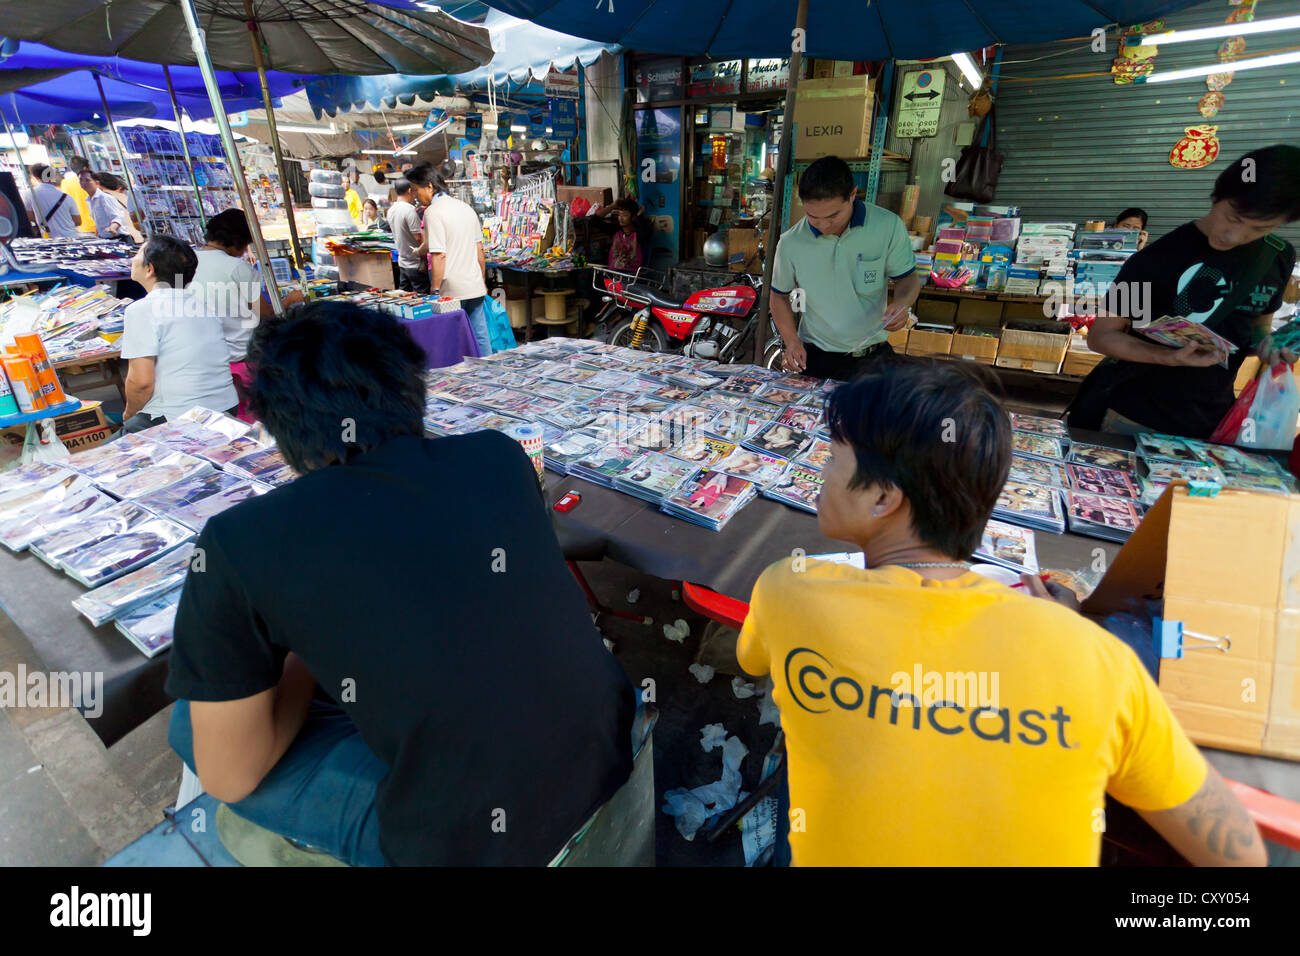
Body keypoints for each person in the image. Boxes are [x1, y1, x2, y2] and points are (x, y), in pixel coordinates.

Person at [736, 357, 1266, 867]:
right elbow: (1239, 851)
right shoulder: (1100, 663)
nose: (820, 470)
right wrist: (1064, 633)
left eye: (832, 457)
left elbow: (753, 661)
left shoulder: (790, 592)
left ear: (882, 499)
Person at [163, 300, 635, 865]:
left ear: (271, 421)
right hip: (606, 747)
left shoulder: (237, 542)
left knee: (193, 729)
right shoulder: (500, 456)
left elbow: (230, 775)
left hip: (471, 842)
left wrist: (306, 646)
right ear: (412, 385)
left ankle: (290, 848)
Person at [1069, 145, 1300, 439]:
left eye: (1259, 228)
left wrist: (1270, 347)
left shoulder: (1276, 257)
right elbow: (1102, 336)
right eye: (1233, 218)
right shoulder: (1156, 257)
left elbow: (1258, 327)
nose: (1234, 236)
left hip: (1212, 422)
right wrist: (1167, 357)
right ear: (1219, 195)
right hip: (1133, 416)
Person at [770, 156, 921, 381]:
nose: (823, 225)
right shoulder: (792, 242)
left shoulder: (887, 226)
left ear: (852, 194)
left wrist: (901, 304)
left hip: (872, 357)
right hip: (816, 358)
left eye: (833, 216)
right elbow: (778, 296)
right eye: (813, 216)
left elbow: (908, 279)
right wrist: (791, 341)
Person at [118, 236, 239, 433]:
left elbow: (141, 382)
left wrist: (129, 415)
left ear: (150, 269)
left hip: (179, 416)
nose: (133, 258)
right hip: (226, 406)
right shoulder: (202, 305)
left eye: (139, 252)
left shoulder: (143, 309)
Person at [191, 208, 304, 364]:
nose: (245, 251)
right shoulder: (237, 268)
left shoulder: (188, 262)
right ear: (237, 241)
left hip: (204, 354)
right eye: (246, 245)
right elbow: (265, 315)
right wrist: (290, 299)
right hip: (241, 354)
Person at [405, 162, 491, 349]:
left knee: (454, 338)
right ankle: (487, 371)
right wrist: (481, 281)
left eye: (415, 189)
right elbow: (479, 251)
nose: (415, 196)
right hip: (474, 284)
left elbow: (439, 256)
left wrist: (435, 291)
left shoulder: (433, 212)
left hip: (452, 290)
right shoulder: (466, 208)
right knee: (480, 334)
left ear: (429, 186)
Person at [387, 179, 430, 294]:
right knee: (421, 299)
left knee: (404, 298)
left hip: (403, 262)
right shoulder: (409, 210)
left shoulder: (391, 210)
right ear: (410, 191)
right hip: (416, 264)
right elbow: (418, 237)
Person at [26, 164, 80, 238]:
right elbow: (78, 221)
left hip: (49, 239)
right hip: (71, 237)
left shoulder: (30, 194)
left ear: (35, 177)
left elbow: (29, 217)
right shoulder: (66, 197)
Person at [91, 172, 143, 242]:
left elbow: (102, 223)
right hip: (137, 236)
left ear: (99, 184)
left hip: (122, 238)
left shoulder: (104, 197)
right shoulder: (122, 196)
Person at [80, 169, 130, 240]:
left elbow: (118, 217)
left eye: (87, 180)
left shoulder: (104, 197)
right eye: (81, 180)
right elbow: (98, 222)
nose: (83, 183)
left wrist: (113, 228)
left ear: (97, 183)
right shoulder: (89, 200)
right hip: (105, 238)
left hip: (118, 238)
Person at [607, 198, 646, 272]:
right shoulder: (615, 232)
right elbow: (594, 220)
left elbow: (644, 233)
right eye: (619, 215)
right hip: (612, 274)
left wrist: (639, 215)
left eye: (624, 215)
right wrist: (613, 206)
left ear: (633, 217)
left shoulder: (638, 235)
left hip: (630, 276)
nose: (620, 218)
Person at [61, 156, 95, 235]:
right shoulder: (94, 180)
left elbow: (66, 205)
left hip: (83, 228)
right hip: (102, 225)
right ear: (85, 168)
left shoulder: (66, 183)